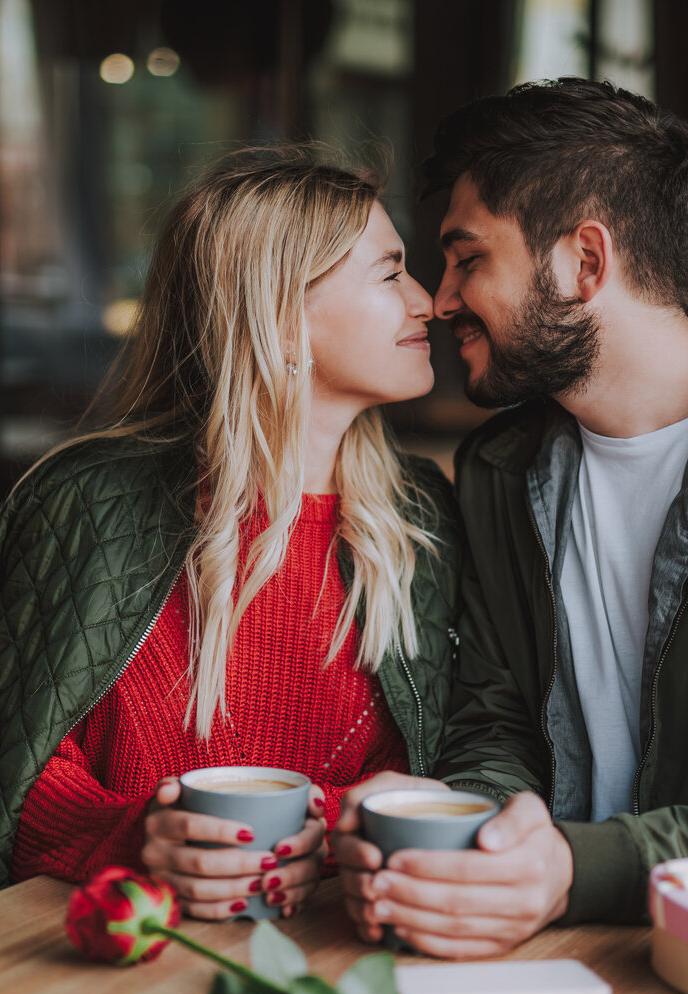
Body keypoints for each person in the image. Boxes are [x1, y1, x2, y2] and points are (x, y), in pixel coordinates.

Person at [0, 147, 461, 918]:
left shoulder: (423, 516)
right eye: (390, 273)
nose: (428, 302)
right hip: (107, 960)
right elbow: (20, 762)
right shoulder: (85, 501)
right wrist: (131, 837)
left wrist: (346, 829)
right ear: (280, 316)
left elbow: (451, 758)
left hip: (344, 946)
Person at [335, 78, 688, 957]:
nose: (438, 300)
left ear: (585, 262)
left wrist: (578, 870)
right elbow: (497, 718)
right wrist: (471, 830)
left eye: (469, 259)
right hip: (543, 960)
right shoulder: (500, 469)